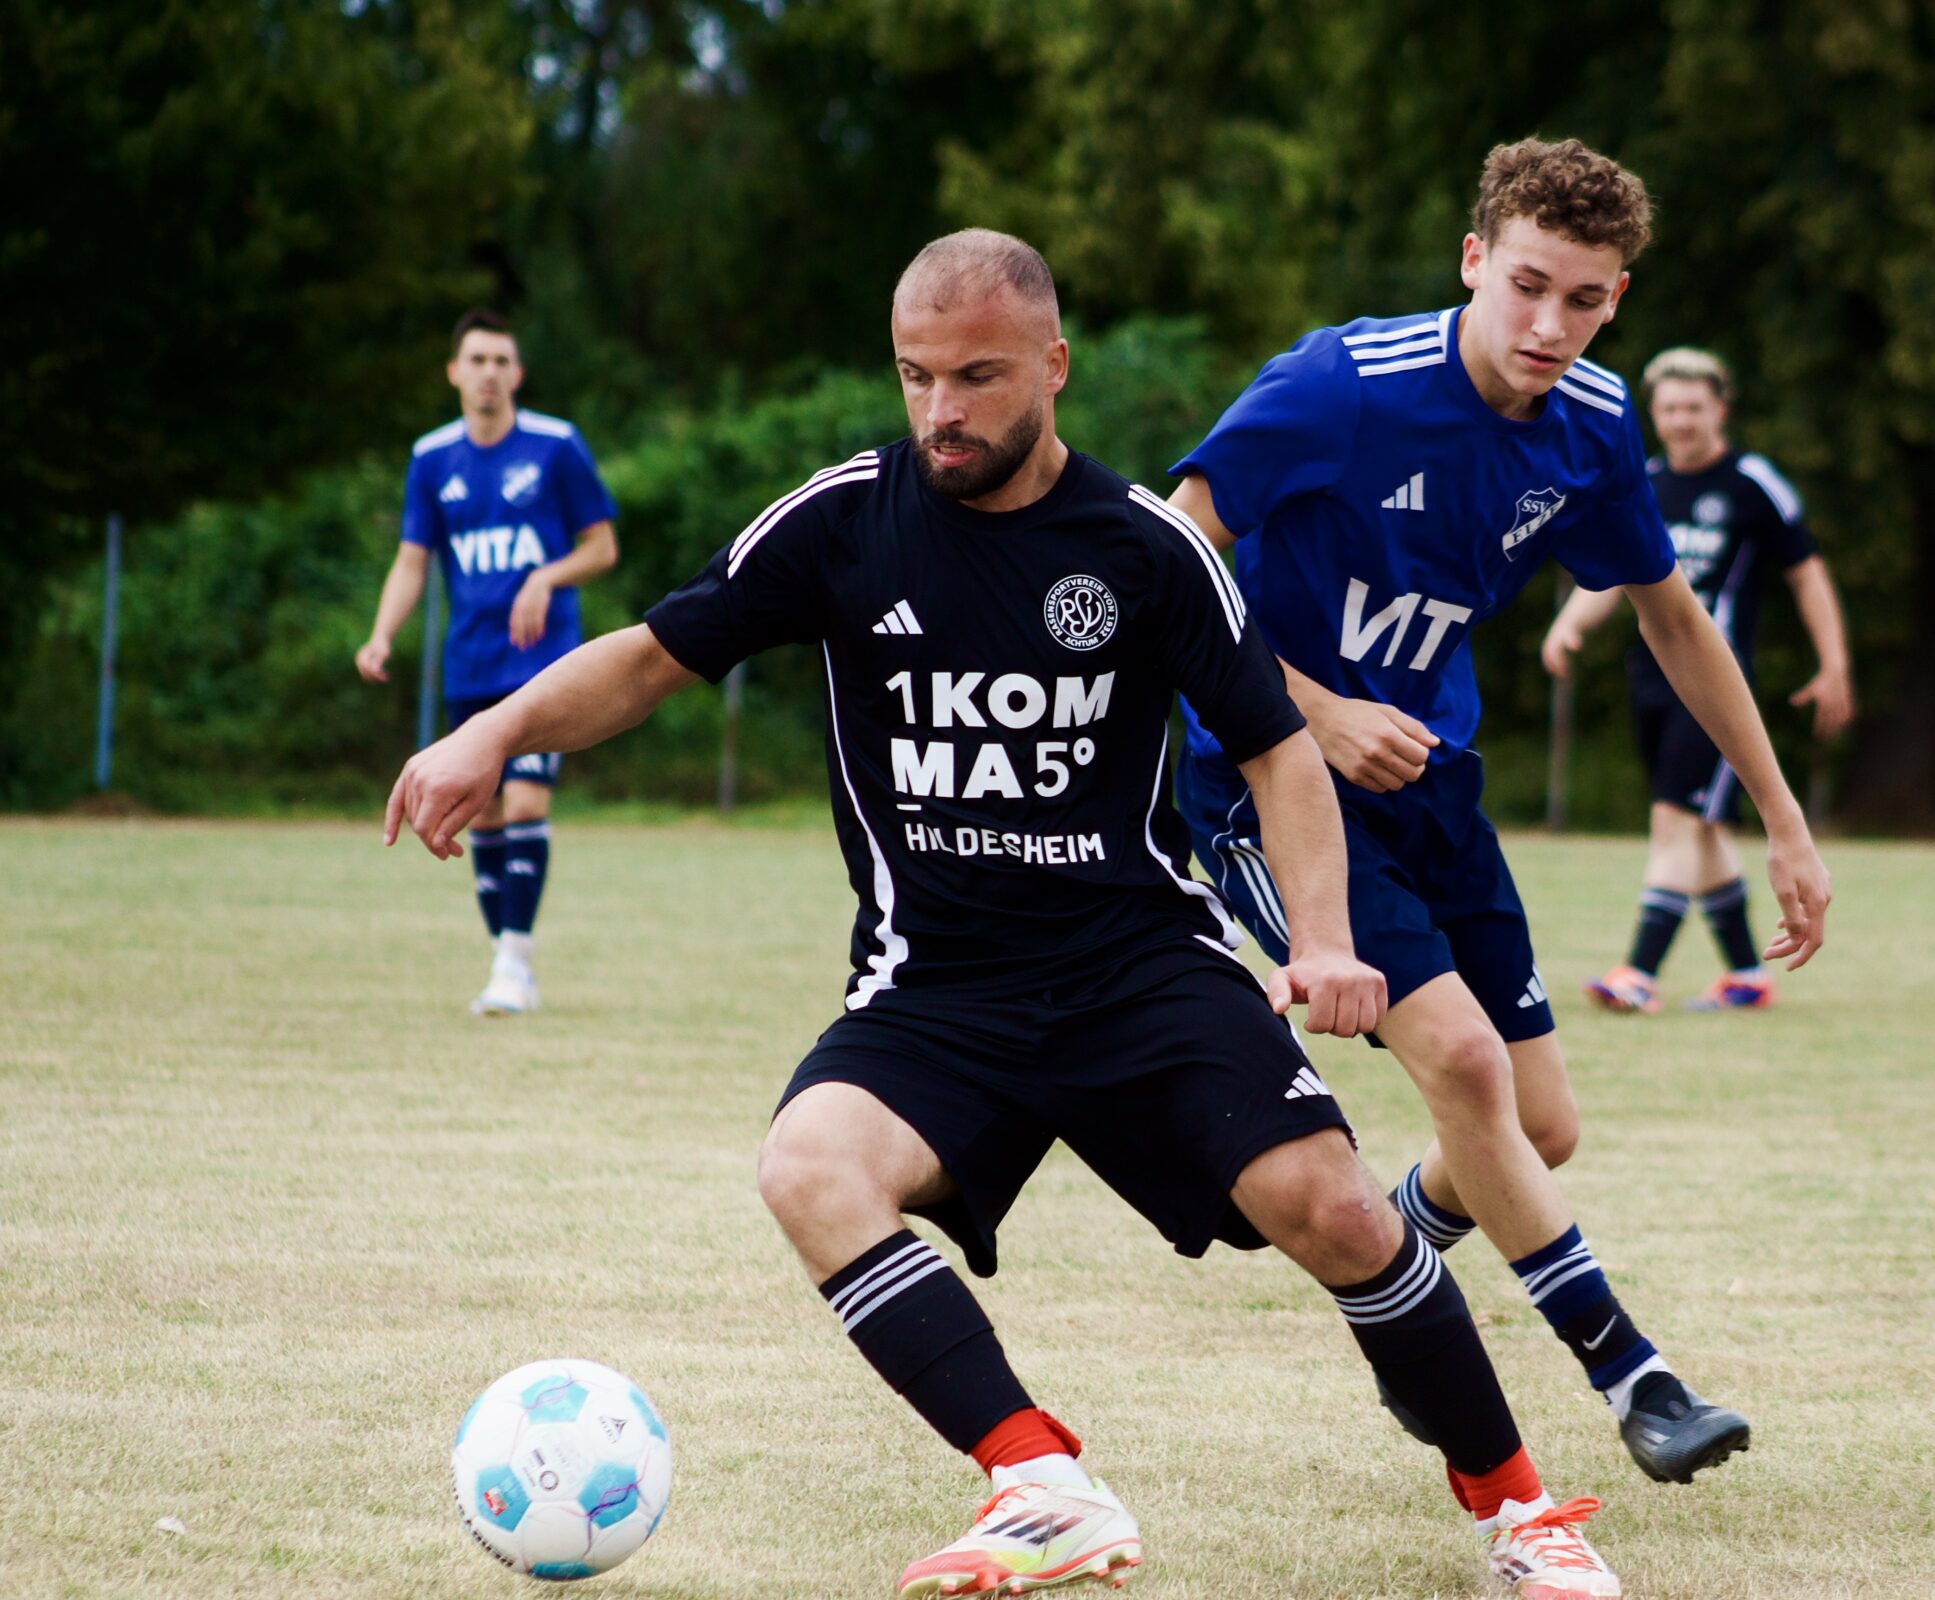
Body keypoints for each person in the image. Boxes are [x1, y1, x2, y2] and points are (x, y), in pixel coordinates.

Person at [387, 231, 1627, 1598]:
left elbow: (1279, 752)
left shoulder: (1145, 547)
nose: (942, 411)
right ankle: (1039, 1480)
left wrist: (1325, 940)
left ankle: (1521, 1512)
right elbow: (647, 659)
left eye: (976, 377)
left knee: (1332, 1205)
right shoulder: (843, 522)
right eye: (916, 376)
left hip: (1139, 967)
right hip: (936, 988)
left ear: (1053, 366)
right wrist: (488, 734)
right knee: (809, 1168)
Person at [1167, 138, 1830, 1485]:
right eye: (1526, 284)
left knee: (1541, 1125)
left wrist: (1782, 815)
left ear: (1617, 300)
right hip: (1267, 779)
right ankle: (1637, 1379)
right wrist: (1313, 711)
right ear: (1474, 260)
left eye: (1583, 299)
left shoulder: (1592, 422)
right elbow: (1171, 557)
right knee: (1469, 1069)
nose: (1548, 324)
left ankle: (1393, 1281)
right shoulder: (1343, 384)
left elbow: (1673, 618)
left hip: (1433, 784)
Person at [1543, 346, 1851, 1014]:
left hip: (1715, 684)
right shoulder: (1644, 480)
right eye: (1669, 408)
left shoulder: (1751, 482)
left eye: (1694, 407)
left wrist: (1834, 665)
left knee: (1675, 821)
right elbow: (1617, 573)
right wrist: (1569, 625)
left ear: (1720, 410)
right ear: (1652, 414)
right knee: (1703, 833)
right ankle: (1747, 975)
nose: (1681, 420)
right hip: (1650, 678)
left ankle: (1639, 972)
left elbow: (1807, 573)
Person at [357, 309, 619, 1016]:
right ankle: (508, 960)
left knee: (527, 799)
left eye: (502, 361)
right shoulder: (431, 457)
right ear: (454, 372)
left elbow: (602, 547)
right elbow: (412, 561)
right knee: (486, 815)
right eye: (477, 360)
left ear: (518, 373)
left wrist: (546, 577)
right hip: (471, 665)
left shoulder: (556, 446)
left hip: (543, 665)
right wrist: (382, 635)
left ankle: (513, 961)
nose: (489, 373)